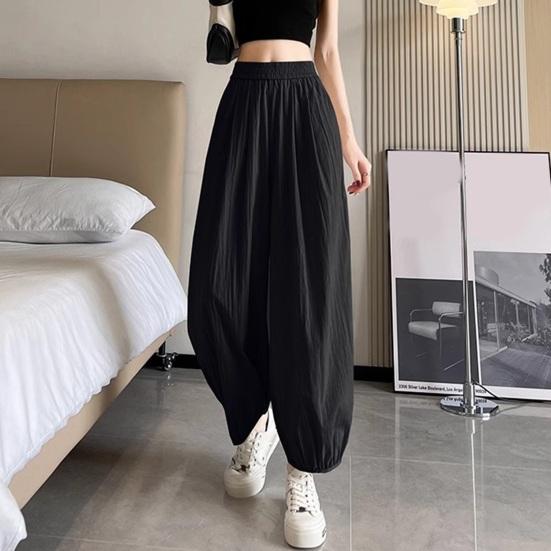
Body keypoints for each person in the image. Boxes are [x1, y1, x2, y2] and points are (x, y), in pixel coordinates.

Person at [188, 0, 371, 547]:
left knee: (308, 291)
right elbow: (220, 42)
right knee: (216, 288)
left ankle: (301, 469)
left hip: (304, 109)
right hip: (244, 103)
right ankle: (257, 421)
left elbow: (327, 51)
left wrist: (348, 139)